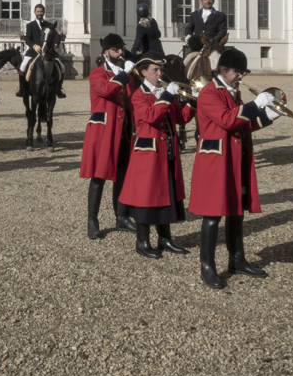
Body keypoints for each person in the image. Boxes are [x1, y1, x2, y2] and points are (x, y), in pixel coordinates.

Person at [188, 48, 279, 289]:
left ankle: (236, 260)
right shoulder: (209, 92)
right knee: (212, 214)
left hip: (234, 157)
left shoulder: (232, 92)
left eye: (243, 72)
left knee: (236, 211)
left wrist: (268, 116)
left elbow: (242, 124)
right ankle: (207, 266)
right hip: (216, 159)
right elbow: (228, 120)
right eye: (238, 72)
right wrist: (255, 104)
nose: (241, 77)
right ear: (223, 70)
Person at [119, 51, 195, 259]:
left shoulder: (162, 91)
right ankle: (142, 241)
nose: (160, 73)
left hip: (168, 151)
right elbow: (152, 117)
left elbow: (180, 119)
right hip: (149, 152)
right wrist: (168, 96)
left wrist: (193, 103)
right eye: (155, 70)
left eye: (161, 69)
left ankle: (165, 238)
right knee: (145, 198)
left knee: (167, 195)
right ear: (143, 72)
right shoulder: (138, 95)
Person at [79, 34, 137, 239]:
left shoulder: (127, 75)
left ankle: (121, 217)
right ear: (106, 52)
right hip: (103, 131)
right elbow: (105, 90)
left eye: (121, 48)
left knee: (122, 174)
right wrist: (123, 75)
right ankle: (92, 220)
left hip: (123, 129)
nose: (120, 52)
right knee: (99, 177)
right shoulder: (97, 73)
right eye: (116, 49)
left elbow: (131, 101)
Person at [18, 4, 66, 98]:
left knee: (62, 67)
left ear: (43, 12)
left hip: (48, 52)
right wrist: (34, 46)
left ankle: (59, 89)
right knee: (23, 67)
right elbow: (28, 39)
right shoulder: (30, 25)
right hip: (33, 52)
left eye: (41, 11)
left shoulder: (49, 25)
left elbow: (57, 37)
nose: (39, 13)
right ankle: (22, 88)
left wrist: (55, 45)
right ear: (34, 12)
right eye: (38, 11)